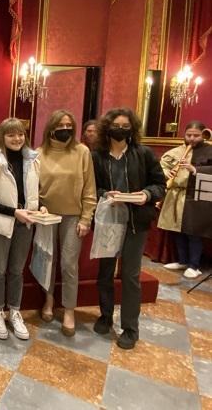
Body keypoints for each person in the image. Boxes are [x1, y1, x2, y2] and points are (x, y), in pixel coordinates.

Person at [91, 108, 165, 349]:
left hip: (136, 221)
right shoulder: (97, 156)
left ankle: (130, 327)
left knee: (130, 275)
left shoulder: (143, 153)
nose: (120, 129)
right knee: (105, 272)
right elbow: (92, 187)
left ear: (132, 129)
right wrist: (105, 194)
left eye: (125, 125)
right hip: (109, 219)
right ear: (107, 128)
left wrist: (146, 194)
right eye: (116, 125)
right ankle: (105, 315)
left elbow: (159, 184)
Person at [0, 118, 44, 341]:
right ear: (2, 137)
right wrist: (13, 212)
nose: (17, 139)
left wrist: (40, 206)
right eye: (11, 135)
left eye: (20, 134)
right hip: (2, 223)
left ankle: (14, 311)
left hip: (25, 223)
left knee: (17, 269)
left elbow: (36, 191)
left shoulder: (34, 161)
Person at [37, 109, 97, 337]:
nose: (65, 129)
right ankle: (49, 301)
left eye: (68, 125)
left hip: (73, 216)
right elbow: (34, 186)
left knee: (68, 264)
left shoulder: (82, 152)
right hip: (46, 215)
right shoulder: (39, 153)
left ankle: (69, 310)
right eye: (60, 125)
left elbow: (90, 189)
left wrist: (86, 218)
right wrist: (37, 208)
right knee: (47, 261)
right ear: (51, 128)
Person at [160, 121, 212, 278]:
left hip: (197, 196)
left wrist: (194, 169)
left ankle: (194, 265)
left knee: (193, 232)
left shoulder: (209, 150)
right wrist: (166, 172)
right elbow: (162, 164)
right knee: (178, 230)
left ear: (203, 135)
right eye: (189, 135)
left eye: (196, 135)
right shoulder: (178, 151)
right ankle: (182, 261)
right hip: (177, 195)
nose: (192, 138)